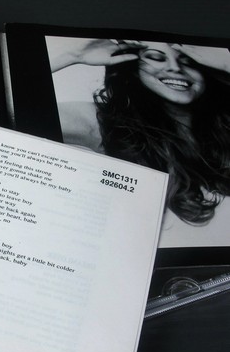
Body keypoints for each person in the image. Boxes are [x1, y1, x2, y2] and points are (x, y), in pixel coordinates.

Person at [48, 38, 230, 225]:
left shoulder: (225, 126)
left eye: (188, 61)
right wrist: (72, 55)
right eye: (156, 58)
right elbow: (27, 114)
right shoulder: (104, 123)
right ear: (133, 68)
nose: (175, 67)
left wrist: (227, 64)